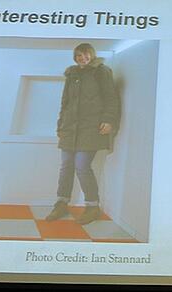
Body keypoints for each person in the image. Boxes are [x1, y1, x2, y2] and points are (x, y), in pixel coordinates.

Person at [46, 43, 120, 224]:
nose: (82, 58)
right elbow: (65, 102)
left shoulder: (101, 72)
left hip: (91, 127)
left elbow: (111, 97)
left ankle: (92, 207)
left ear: (92, 55)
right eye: (79, 55)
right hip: (70, 128)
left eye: (86, 54)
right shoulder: (71, 75)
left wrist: (109, 120)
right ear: (75, 57)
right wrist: (60, 125)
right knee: (65, 166)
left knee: (82, 166)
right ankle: (61, 203)